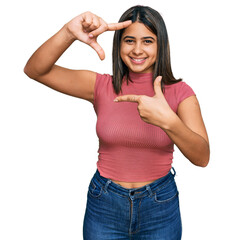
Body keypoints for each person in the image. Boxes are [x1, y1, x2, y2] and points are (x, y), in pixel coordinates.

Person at [24, 5, 210, 240]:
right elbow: (35, 70)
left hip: (159, 205)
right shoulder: (101, 86)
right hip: (105, 203)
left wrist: (169, 122)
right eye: (129, 40)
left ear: (161, 45)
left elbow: (202, 157)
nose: (138, 50)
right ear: (119, 45)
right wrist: (68, 32)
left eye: (148, 41)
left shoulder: (180, 93)